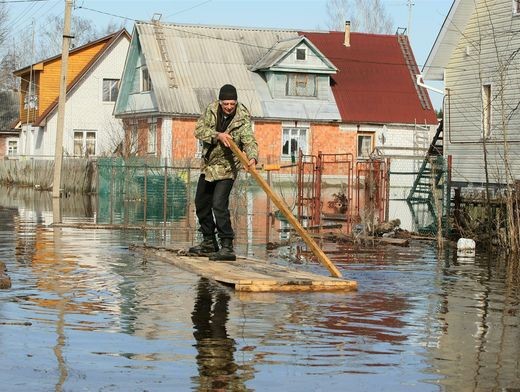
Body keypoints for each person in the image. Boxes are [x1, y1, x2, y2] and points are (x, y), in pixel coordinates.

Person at [189, 84, 258, 261]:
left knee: (218, 204)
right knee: (201, 203)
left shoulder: (242, 118)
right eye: (226, 103)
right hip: (209, 166)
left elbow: (249, 141)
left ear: (236, 103)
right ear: (220, 102)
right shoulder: (211, 110)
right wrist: (217, 135)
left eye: (232, 104)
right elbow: (198, 130)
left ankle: (227, 245)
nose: (229, 107)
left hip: (228, 167)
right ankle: (209, 242)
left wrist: (252, 158)